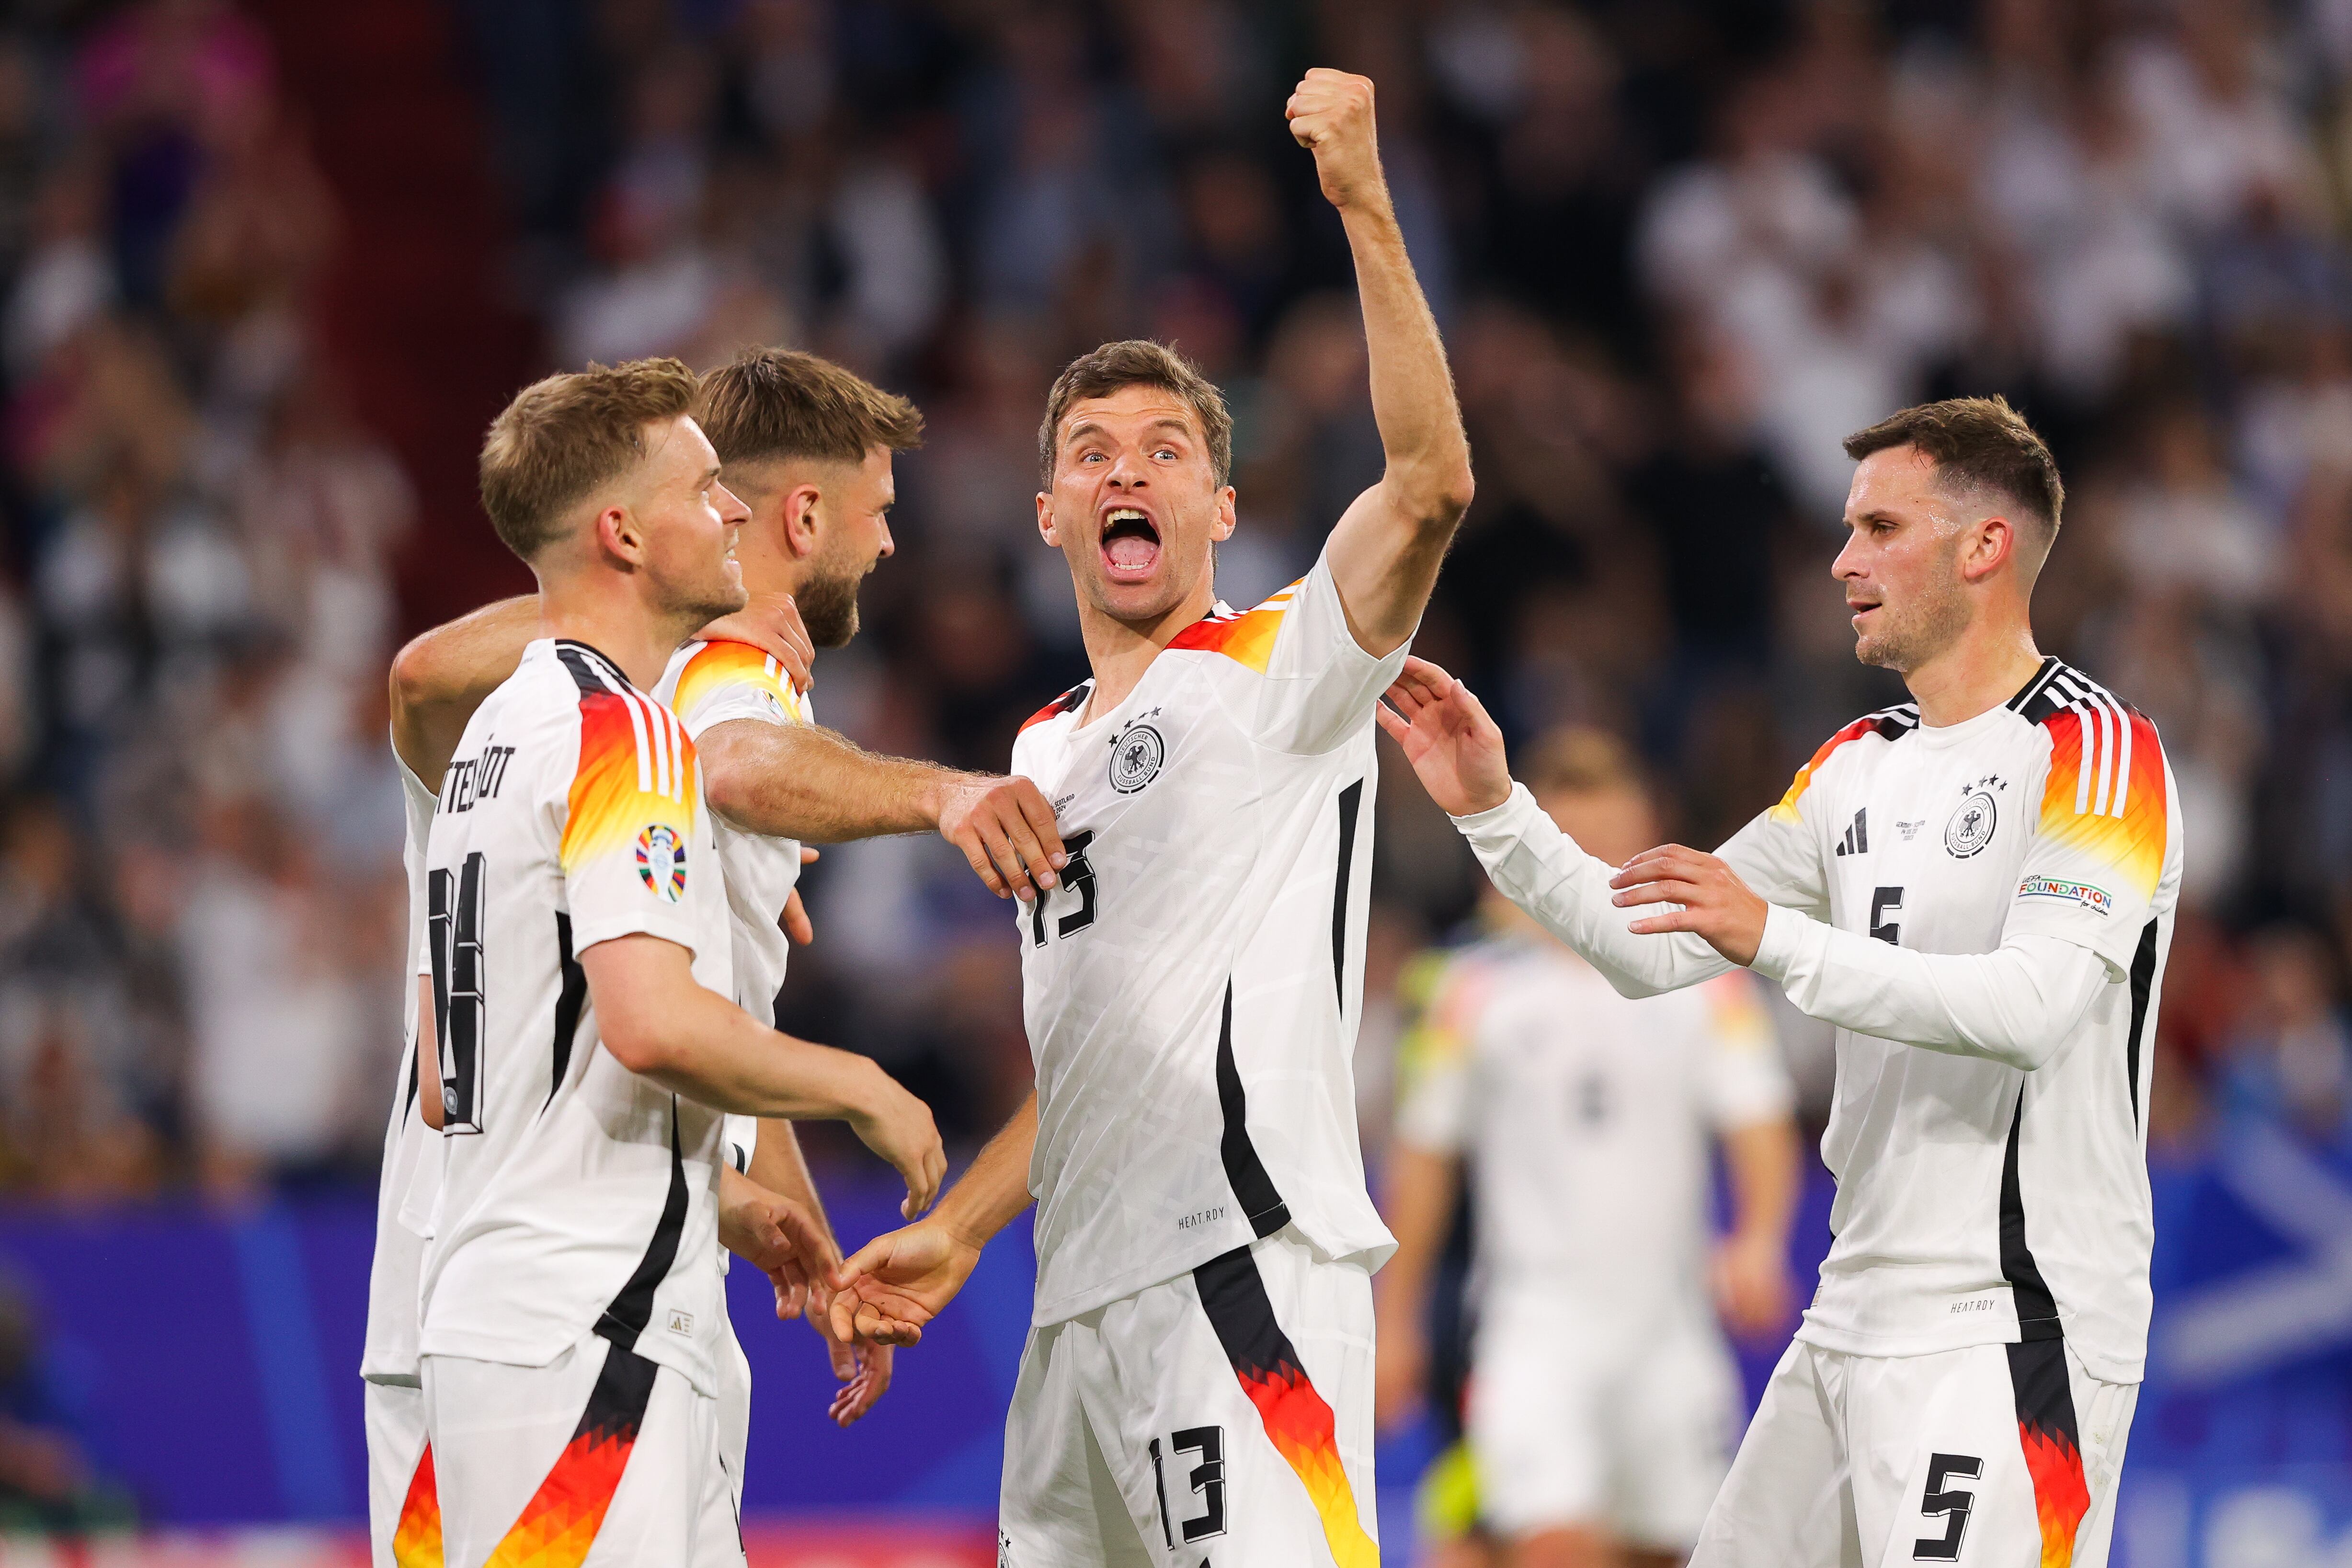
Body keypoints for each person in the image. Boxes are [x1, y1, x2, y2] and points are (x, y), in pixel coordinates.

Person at [827, 69, 1475, 1567]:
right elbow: (1095, 1072)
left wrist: (1363, 204)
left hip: (1236, 1268)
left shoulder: (1278, 666)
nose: (1127, 467)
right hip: (1076, 1304)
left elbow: (1430, 483)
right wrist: (963, 1227)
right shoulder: (1036, 749)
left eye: (1166, 450)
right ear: (1048, 510)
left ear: (1221, 512)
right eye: (1091, 452)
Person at [1377, 397, 2181, 1568]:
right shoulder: (1854, 765)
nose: (1843, 559)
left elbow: (2033, 1009)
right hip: (1851, 1306)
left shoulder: (2094, 753)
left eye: (1880, 527)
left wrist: (1780, 942)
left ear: (1984, 547)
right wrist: (1497, 811)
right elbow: (1651, 946)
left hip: (2012, 1315)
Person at [415, 356, 944, 1568]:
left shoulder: (495, 736)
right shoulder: (623, 730)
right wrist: (858, 1081)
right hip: (585, 1328)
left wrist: (734, 1197)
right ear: (623, 533)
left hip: (543, 1309)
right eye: (706, 491)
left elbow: (464, 1079)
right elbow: (647, 1025)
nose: (731, 516)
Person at [361, 585, 817, 1568]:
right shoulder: (594, 726)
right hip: (552, 1306)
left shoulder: (590, 733)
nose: (888, 539)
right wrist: (862, 1087)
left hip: (576, 1302)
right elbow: (420, 675)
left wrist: (756, 1207)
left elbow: (484, 1065)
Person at [1375, 727, 1801, 1568]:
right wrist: (1395, 1320)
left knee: (1664, 1552)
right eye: (1574, 846)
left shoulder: (1704, 984)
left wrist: (1757, 1234)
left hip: (1669, 1333)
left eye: (1612, 845)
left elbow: (1759, 1125)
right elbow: (1424, 1160)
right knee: (1554, 1546)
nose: (1594, 870)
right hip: (1533, 1329)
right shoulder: (1471, 991)